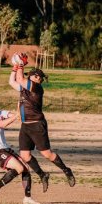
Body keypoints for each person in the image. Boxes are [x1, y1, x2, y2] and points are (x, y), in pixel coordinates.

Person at [9, 53, 76, 192]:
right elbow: (12, 81)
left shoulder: (37, 88)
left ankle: (66, 170)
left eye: (35, 76)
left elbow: (20, 79)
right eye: (32, 75)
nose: (33, 77)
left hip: (37, 125)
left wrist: (20, 64)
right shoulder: (24, 88)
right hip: (25, 126)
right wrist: (15, 67)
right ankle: (43, 174)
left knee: (47, 155)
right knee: (25, 156)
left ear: (38, 78)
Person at [0, 95, 41, 204]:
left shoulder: (0, 113)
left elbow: (14, 116)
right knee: (19, 168)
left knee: (26, 168)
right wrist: (17, 113)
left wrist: (20, 109)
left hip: (5, 148)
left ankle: (27, 198)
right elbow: (3, 124)